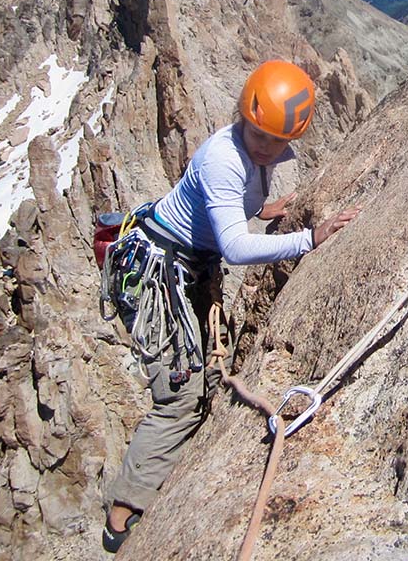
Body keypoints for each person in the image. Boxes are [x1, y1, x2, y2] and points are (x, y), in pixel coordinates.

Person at [102, 59, 358, 553]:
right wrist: (309, 238)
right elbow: (238, 249)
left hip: (185, 266)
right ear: (244, 116)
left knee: (204, 384)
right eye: (257, 134)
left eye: (275, 141)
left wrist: (261, 209)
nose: (263, 146)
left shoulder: (251, 153)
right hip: (161, 274)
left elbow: (225, 202)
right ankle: (122, 517)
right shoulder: (224, 157)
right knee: (178, 395)